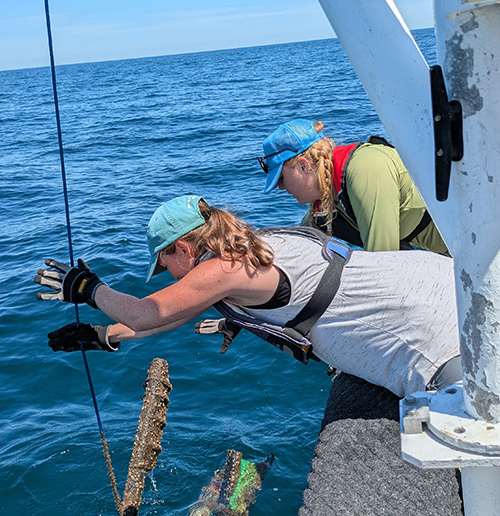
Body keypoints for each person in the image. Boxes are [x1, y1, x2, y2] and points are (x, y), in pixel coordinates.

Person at [34, 194, 461, 399]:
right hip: (436, 281)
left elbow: (152, 312)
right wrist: (103, 335)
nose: (166, 274)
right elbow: (173, 316)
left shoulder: (223, 268)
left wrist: (90, 290)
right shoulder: (250, 245)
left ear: (183, 248)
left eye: (164, 264)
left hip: (424, 332)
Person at [259, 118, 449, 254]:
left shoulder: (365, 169)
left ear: (303, 165)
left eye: (281, 179)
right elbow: (298, 240)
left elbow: (386, 262)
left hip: (473, 250)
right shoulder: (329, 198)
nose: (281, 188)